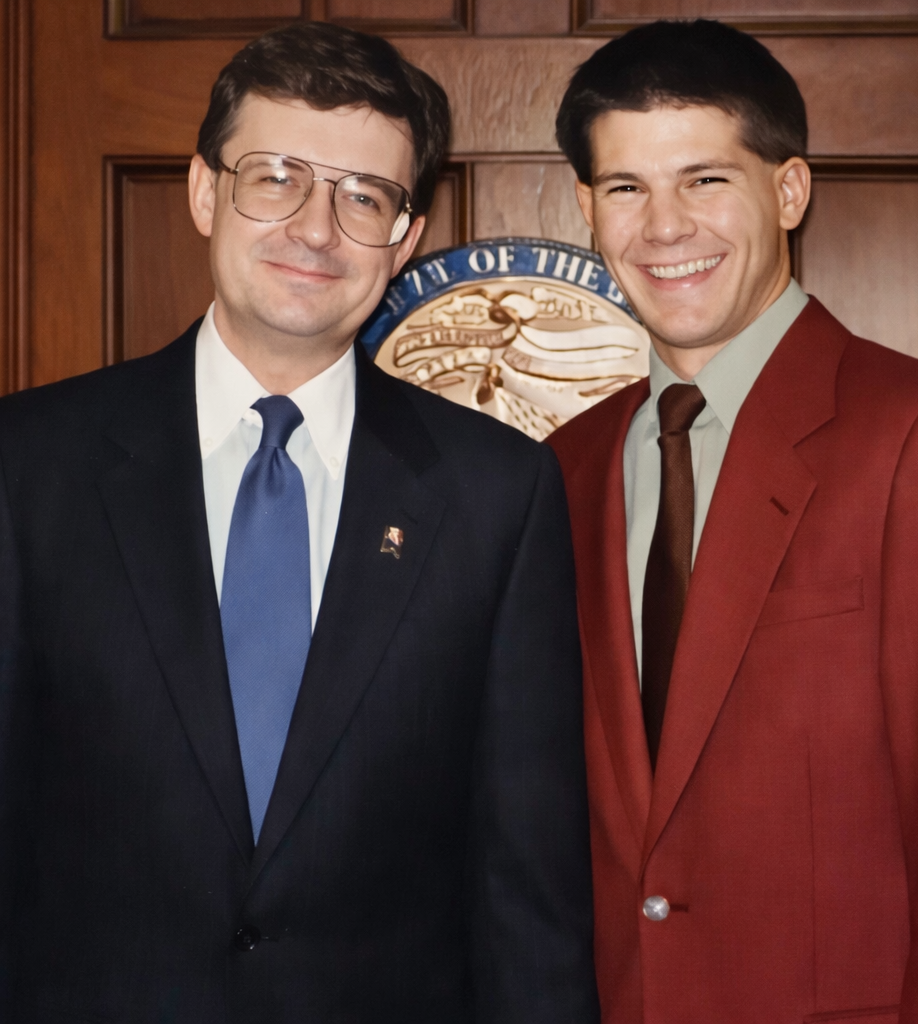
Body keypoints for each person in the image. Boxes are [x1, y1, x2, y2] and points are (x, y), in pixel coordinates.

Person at [0, 23, 599, 1023]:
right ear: (205, 192)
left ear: (404, 238)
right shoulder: (27, 467)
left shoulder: (497, 494)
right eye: (275, 177)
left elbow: (526, 885)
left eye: (363, 196)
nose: (315, 229)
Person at [547, 18, 918, 1024]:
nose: (664, 225)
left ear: (789, 189)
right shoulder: (565, 466)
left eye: (705, 179)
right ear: (587, 208)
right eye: (627, 188)